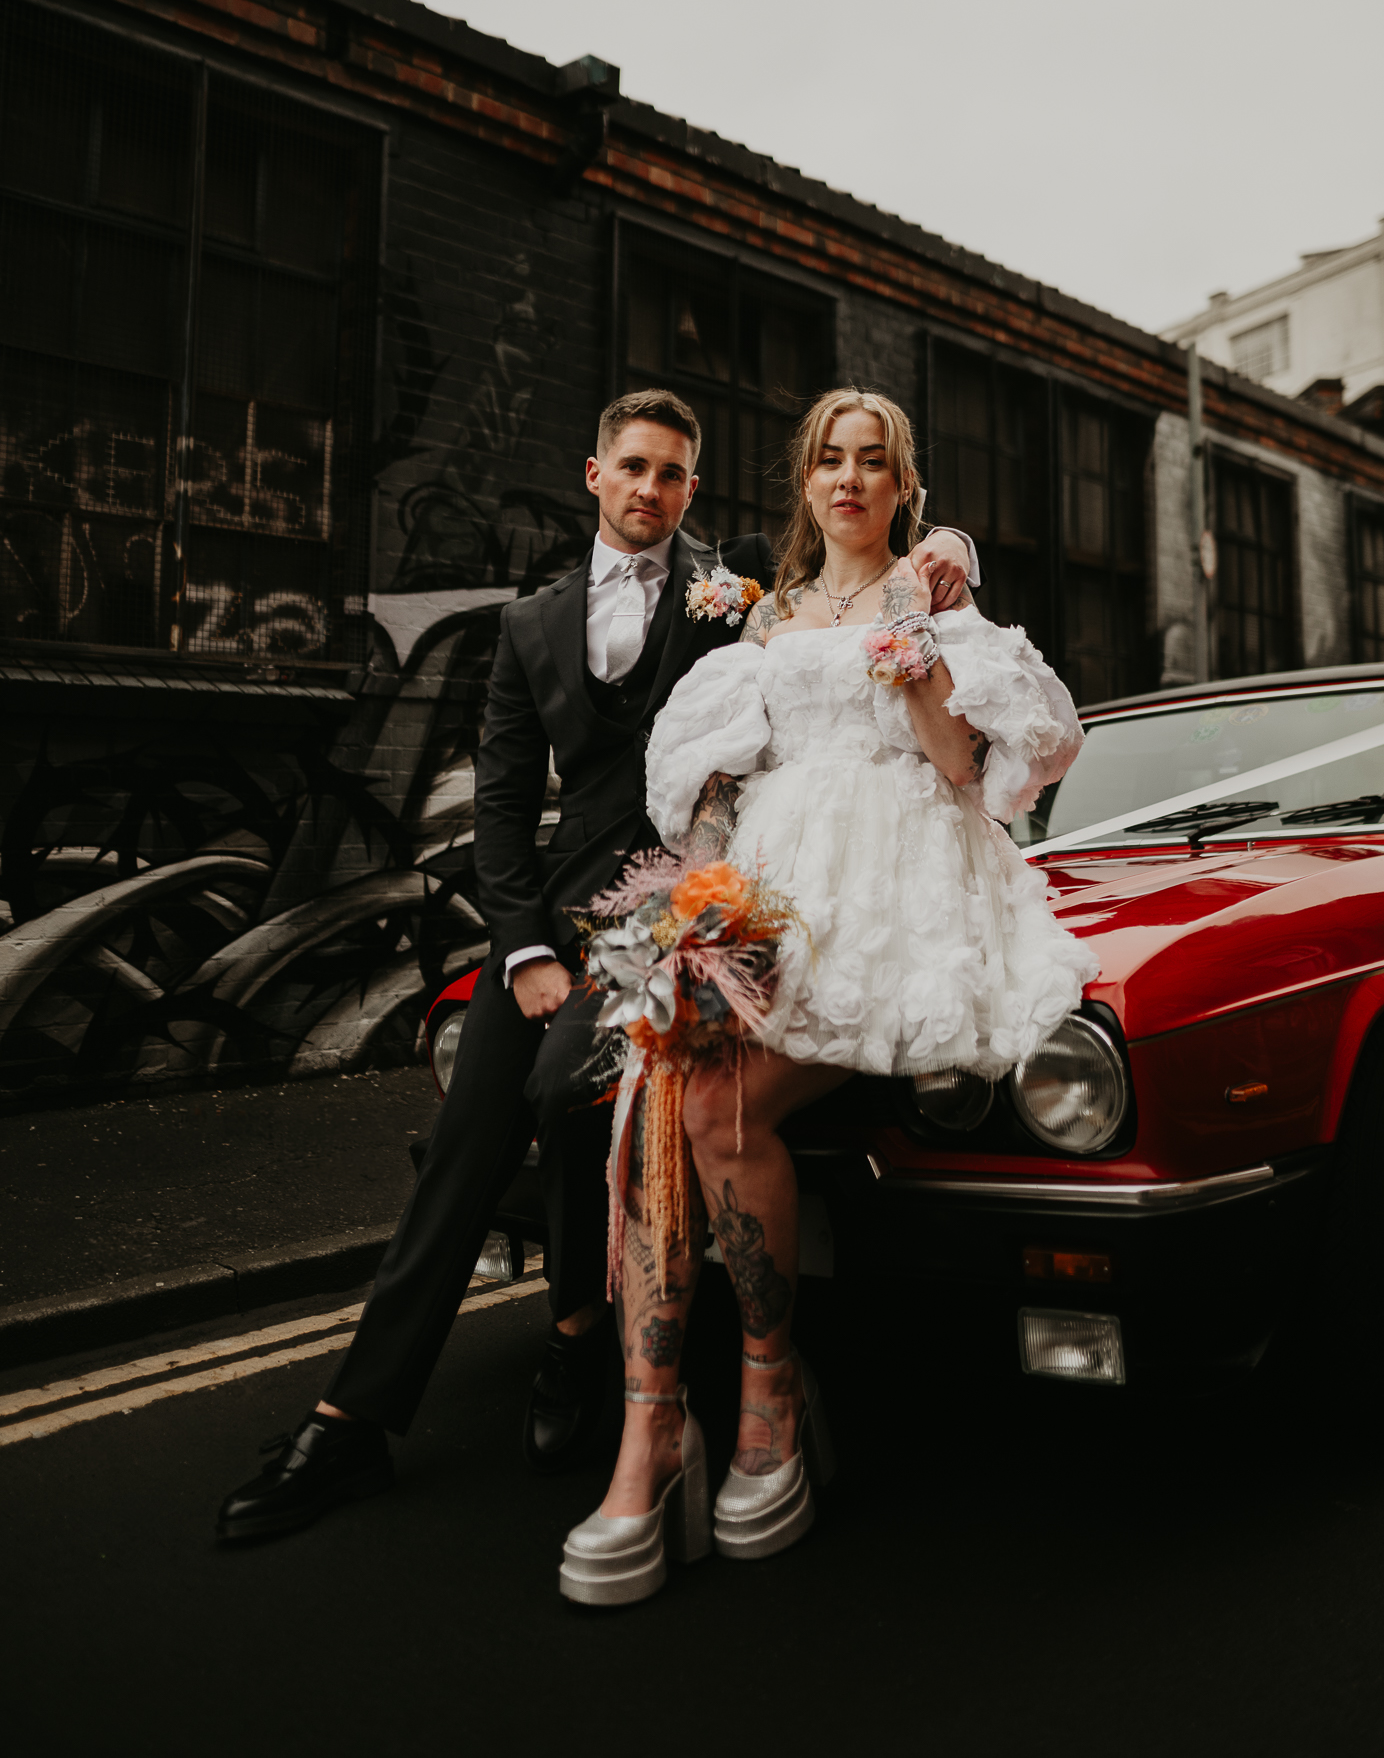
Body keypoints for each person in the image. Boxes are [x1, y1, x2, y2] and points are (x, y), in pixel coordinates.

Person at [217, 389, 977, 1541]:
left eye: (672, 474)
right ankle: (351, 1421)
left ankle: (578, 1338)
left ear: (693, 489)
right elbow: (505, 804)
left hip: (681, 906)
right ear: (595, 474)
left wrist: (952, 543)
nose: (650, 489)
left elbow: (861, 549)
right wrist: (523, 947)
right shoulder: (530, 625)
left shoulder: (739, 589)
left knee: (568, 1089)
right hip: (554, 917)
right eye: (633, 468)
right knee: (466, 1141)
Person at [558, 387, 1094, 1606]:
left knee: (721, 1107)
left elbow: (963, 768)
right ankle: (652, 1428)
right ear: (804, 482)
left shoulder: (936, 598)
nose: (849, 478)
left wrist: (915, 641)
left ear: (904, 484)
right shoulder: (769, 615)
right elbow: (717, 782)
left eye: (873, 461)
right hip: (768, 891)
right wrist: (692, 912)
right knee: (656, 1100)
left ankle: (769, 1391)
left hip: (896, 891)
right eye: (829, 460)